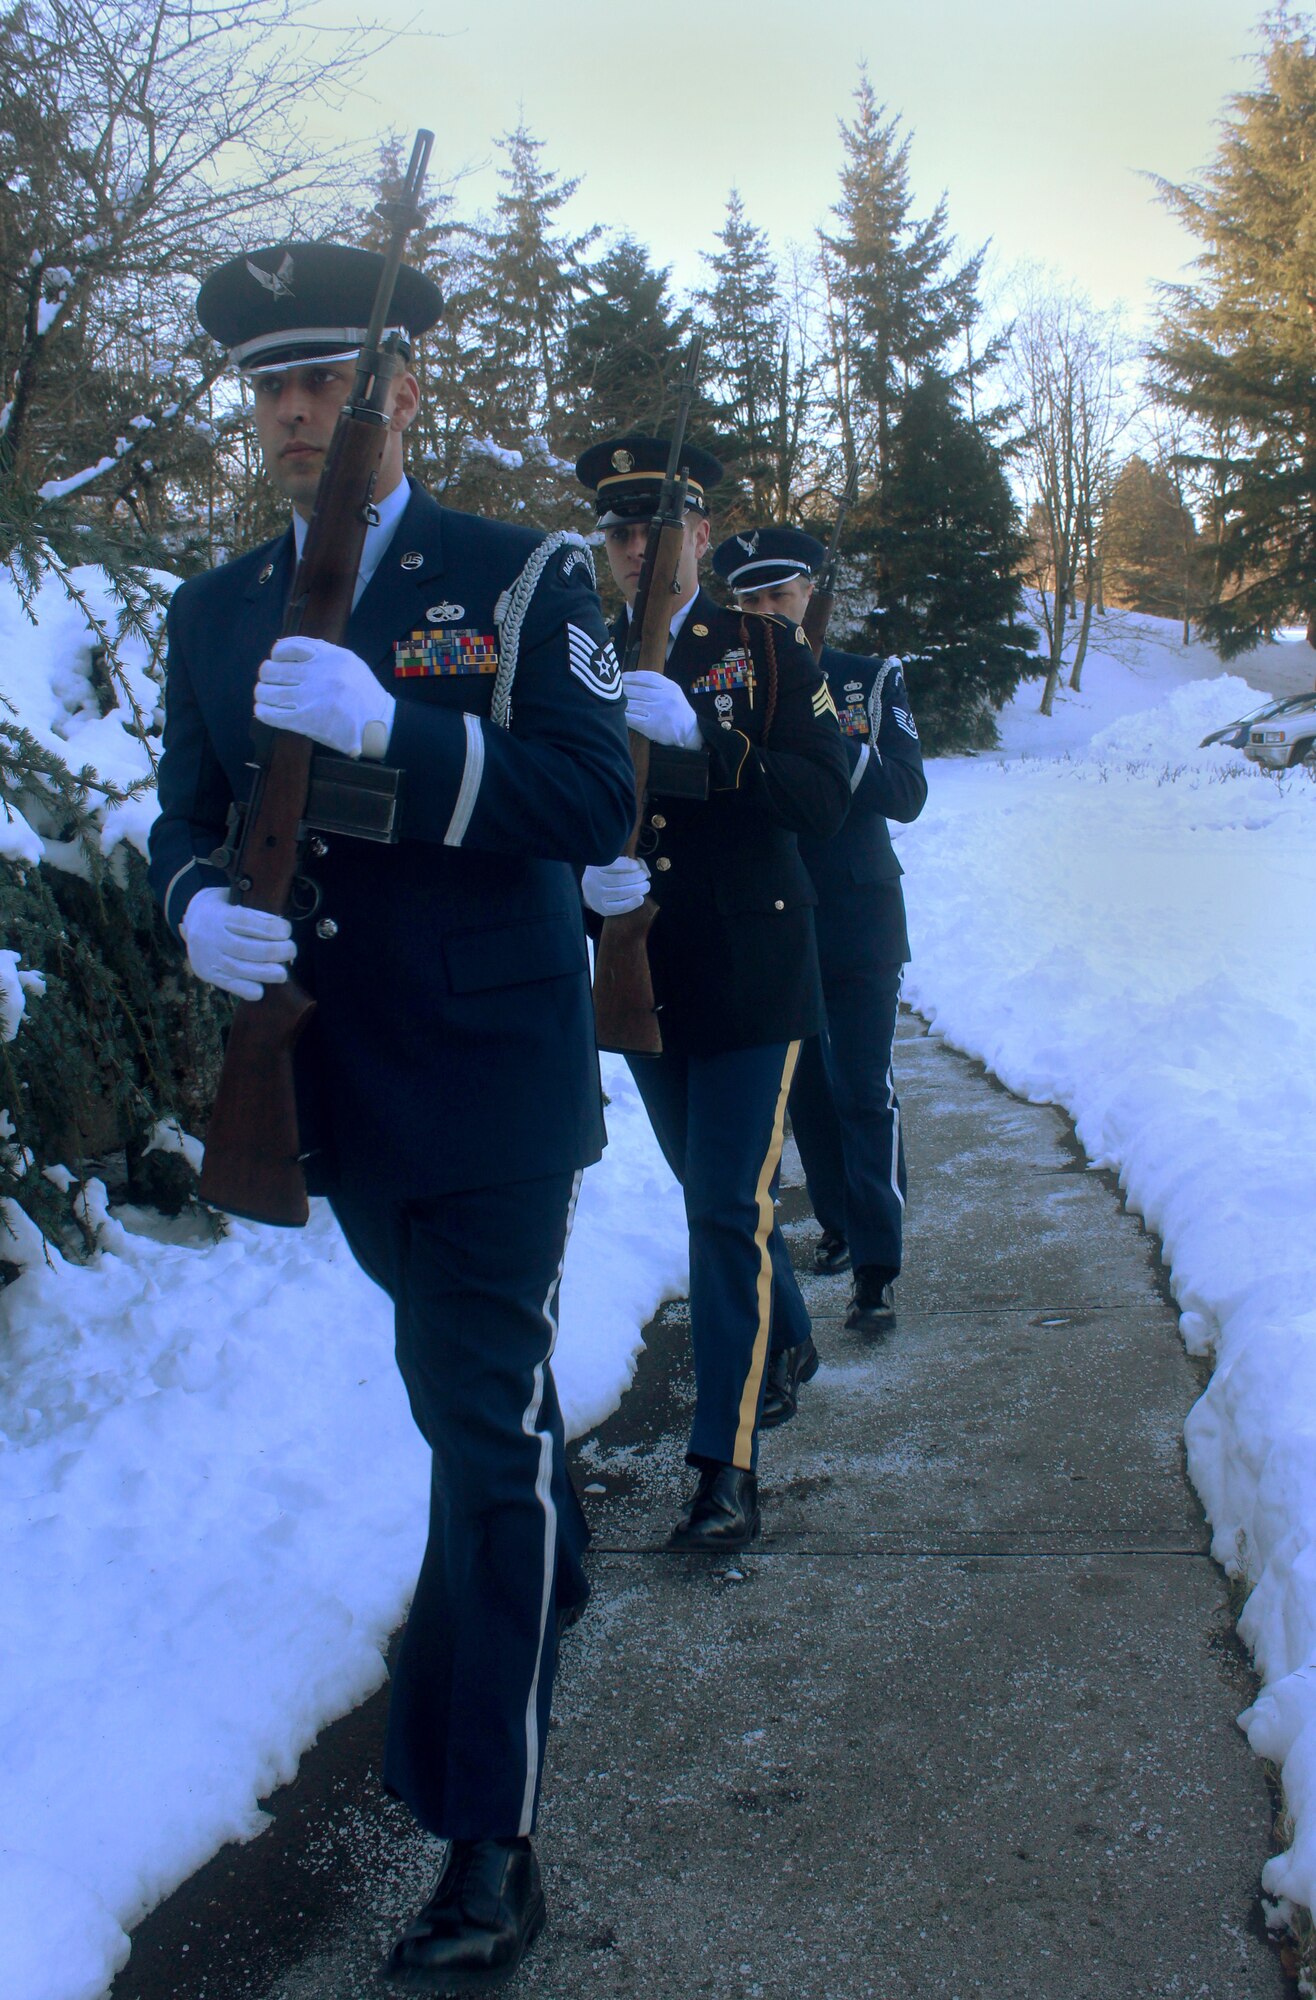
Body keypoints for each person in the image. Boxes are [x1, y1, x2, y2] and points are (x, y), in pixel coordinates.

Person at [148, 241, 636, 1992]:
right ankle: (544, 1546)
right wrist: (197, 900)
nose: (301, 415)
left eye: (332, 385)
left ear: (406, 393)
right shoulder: (215, 611)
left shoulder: (512, 579)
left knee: (475, 1434)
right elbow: (183, 813)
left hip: (496, 1092)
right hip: (326, 1097)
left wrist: (404, 735)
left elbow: (591, 794)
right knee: (473, 1403)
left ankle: (481, 1840)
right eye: (275, 389)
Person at [574, 437, 851, 1548]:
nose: (635, 547)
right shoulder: (579, 655)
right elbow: (557, 797)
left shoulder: (765, 649)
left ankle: (720, 1464)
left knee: (722, 1208)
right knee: (714, 1189)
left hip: (750, 969)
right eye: (617, 529)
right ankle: (784, 1334)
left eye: (655, 524)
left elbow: (823, 797)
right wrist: (587, 876)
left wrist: (709, 739)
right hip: (642, 973)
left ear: (698, 532)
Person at [713, 525, 927, 1340]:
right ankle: (840, 1223)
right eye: (752, 599)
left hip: (860, 913)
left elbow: (906, 792)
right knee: (804, 1094)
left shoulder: (868, 680)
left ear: (809, 594)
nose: (768, 611)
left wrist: (824, 740)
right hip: (772, 916)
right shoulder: (726, 686)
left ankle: (877, 1266)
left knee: (862, 1087)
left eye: (781, 595)